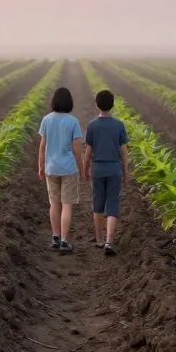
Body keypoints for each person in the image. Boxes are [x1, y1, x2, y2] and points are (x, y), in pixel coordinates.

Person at [38, 87, 85, 254]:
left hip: (51, 167)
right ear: (70, 102)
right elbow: (76, 150)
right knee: (67, 204)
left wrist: (40, 167)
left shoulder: (46, 120)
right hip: (68, 169)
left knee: (54, 203)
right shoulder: (73, 122)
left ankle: (55, 236)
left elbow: (42, 146)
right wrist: (82, 169)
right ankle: (65, 241)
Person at [84, 89, 129, 256]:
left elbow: (88, 152)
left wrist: (85, 169)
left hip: (98, 169)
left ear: (97, 105)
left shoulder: (92, 125)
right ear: (112, 105)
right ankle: (109, 241)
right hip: (114, 169)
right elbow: (124, 153)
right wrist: (126, 172)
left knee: (98, 204)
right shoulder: (119, 125)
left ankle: (99, 239)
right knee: (112, 205)